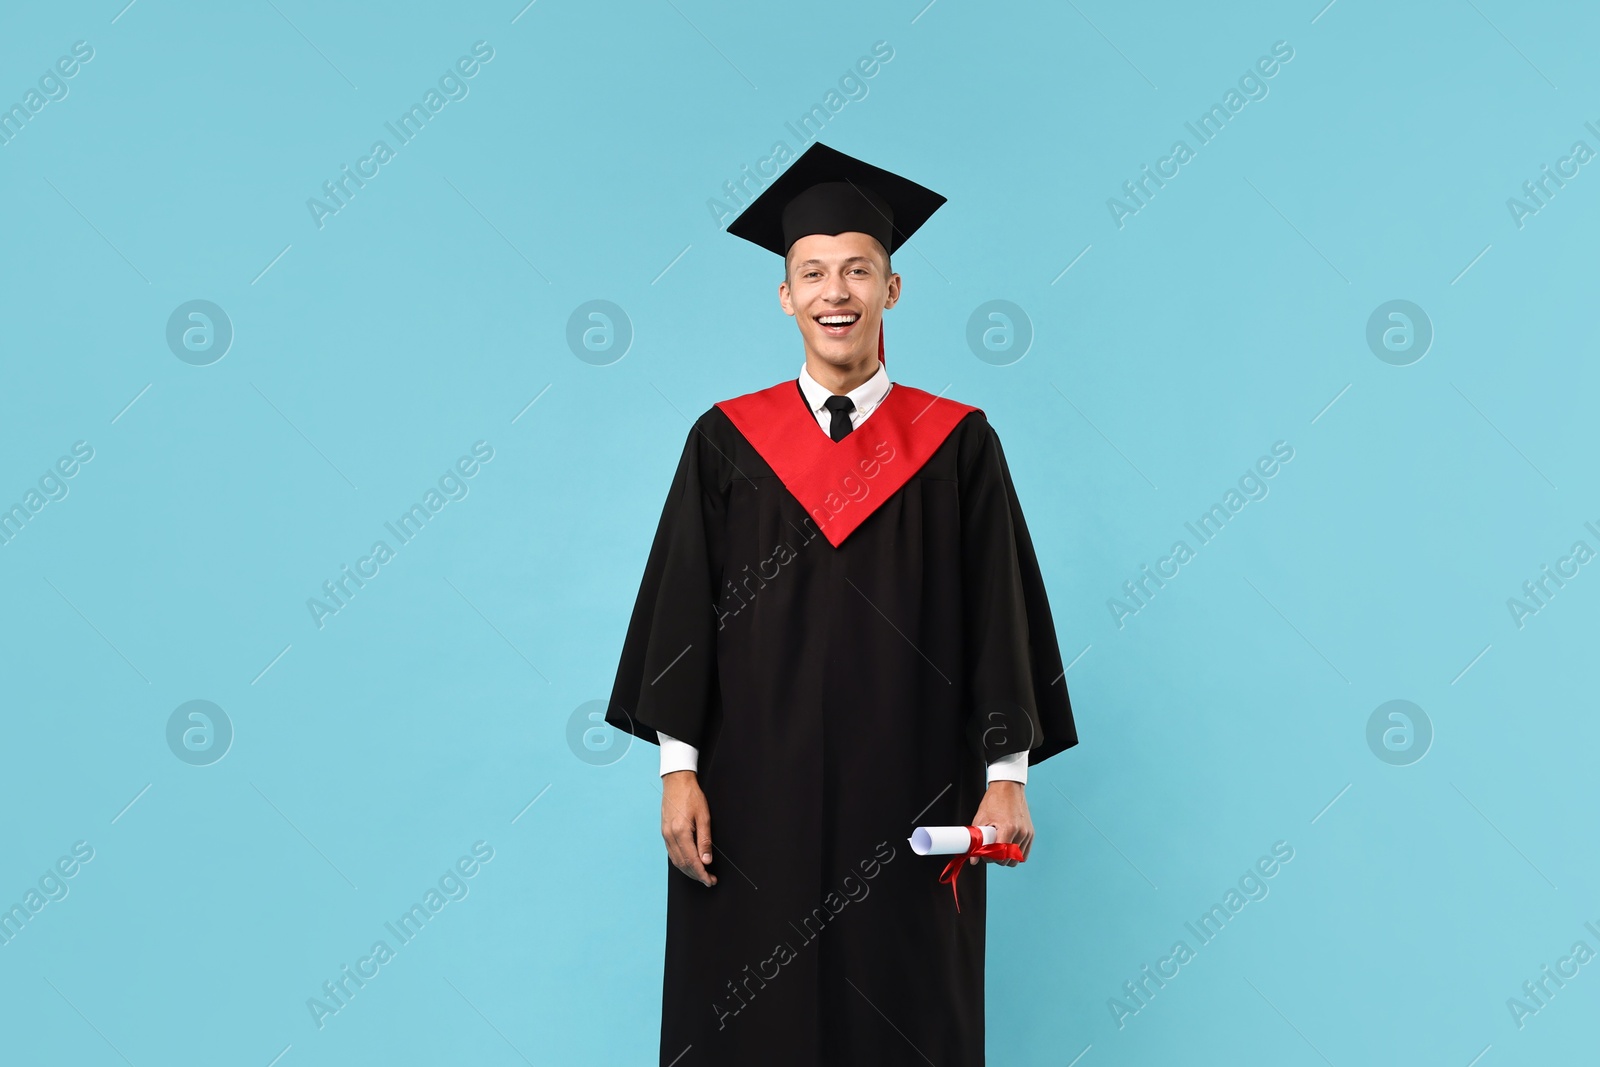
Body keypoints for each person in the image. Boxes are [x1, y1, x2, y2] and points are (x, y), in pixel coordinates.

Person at [606, 141, 1078, 1066]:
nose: (836, 291)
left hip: (914, 785)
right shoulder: (726, 442)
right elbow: (682, 609)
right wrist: (677, 771)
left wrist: (1009, 771)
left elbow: (1001, 611)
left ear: (891, 291)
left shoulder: (956, 446)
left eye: (858, 270)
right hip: (750, 797)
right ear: (785, 296)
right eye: (812, 272)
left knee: (906, 1013)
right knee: (750, 1014)